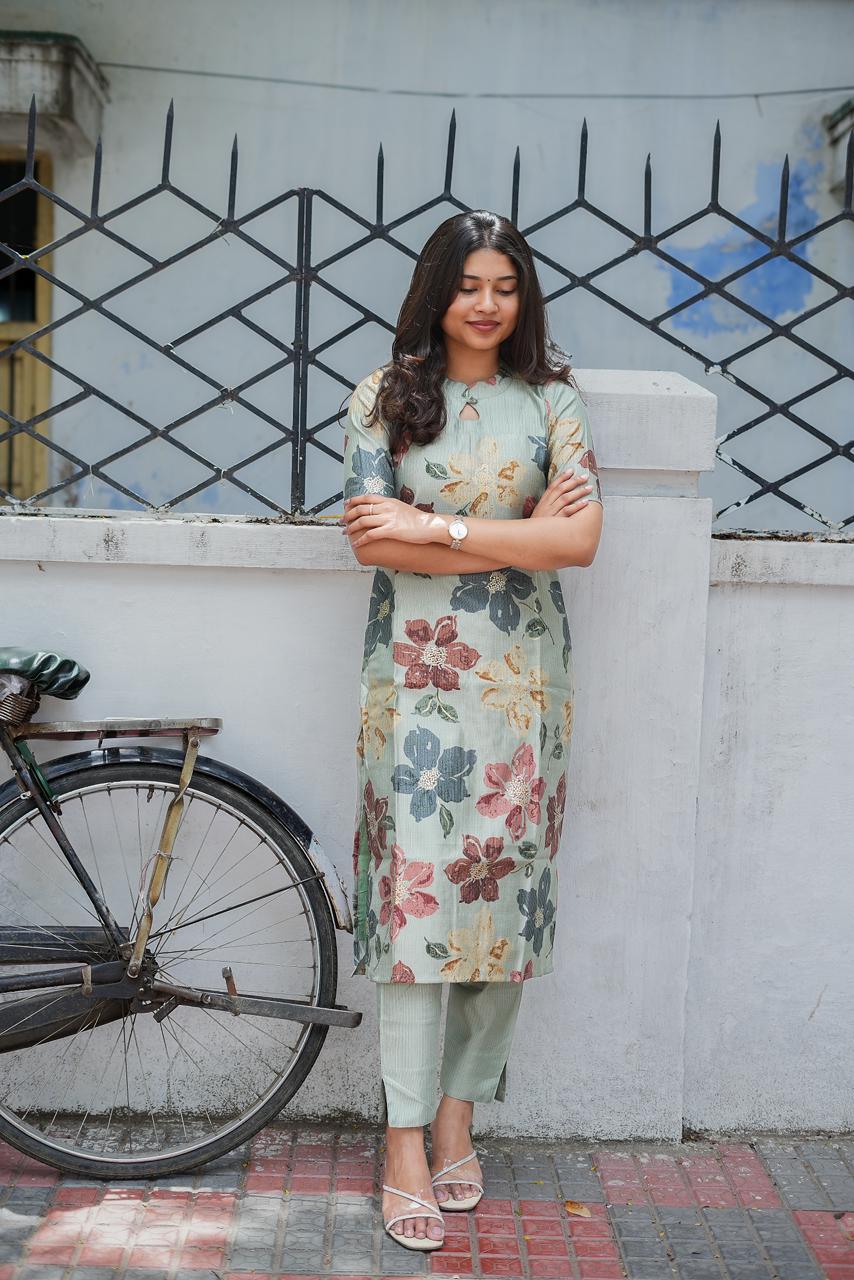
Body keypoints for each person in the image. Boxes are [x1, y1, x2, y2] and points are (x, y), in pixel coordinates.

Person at [340, 209, 604, 1251]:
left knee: (503, 906)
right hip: (411, 688)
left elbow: (579, 542)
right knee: (413, 907)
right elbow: (374, 542)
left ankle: (458, 1116)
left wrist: (437, 524)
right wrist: (517, 536)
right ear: (435, 292)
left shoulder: (553, 403)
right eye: (468, 285)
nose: (486, 304)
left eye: (505, 285)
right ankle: (403, 1138)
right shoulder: (385, 397)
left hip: (523, 689)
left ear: (522, 296)